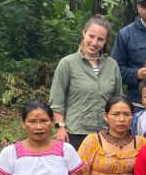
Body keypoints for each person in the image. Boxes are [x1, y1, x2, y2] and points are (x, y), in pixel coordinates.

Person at [49, 17, 123, 149]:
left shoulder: (112, 65)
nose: (94, 42)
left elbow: (118, 101)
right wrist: (60, 128)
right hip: (75, 133)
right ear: (84, 33)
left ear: (105, 41)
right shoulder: (67, 63)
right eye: (91, 36)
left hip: (106, 133)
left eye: (100, 39)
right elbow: (57, 100)